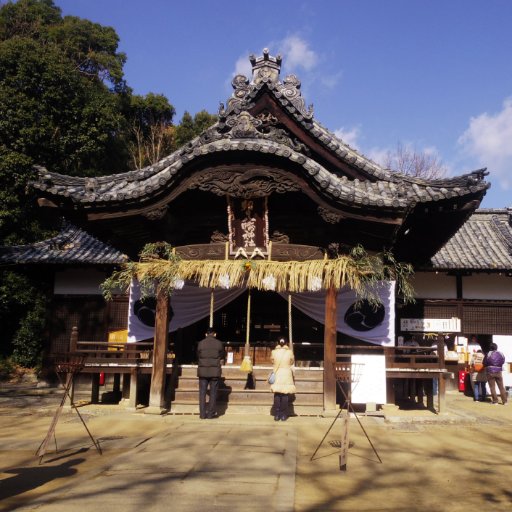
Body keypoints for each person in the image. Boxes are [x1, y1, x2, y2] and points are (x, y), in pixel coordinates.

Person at [197, 327, 226, 419]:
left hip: (203, 372)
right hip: (214, 372)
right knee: (213, 392)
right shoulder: (219, 343)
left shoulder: (200, 343)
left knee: (202, 392)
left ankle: (202, 414)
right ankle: (210, 414)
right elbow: (222, 355)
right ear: (215, 334)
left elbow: (198, 355)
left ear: (206, 334)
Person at [270, 337, 296, 421]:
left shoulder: (273, 352)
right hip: (286, 374)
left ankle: (277, 414)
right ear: (286, 343)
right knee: (285, 395)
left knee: (277, 394)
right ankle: (284, 415)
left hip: (277, 373)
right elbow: (291, 362)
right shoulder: (290, 352)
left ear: (277, 343)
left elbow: (272, 361)